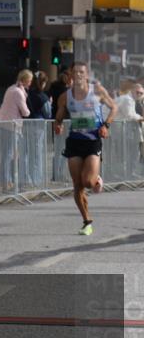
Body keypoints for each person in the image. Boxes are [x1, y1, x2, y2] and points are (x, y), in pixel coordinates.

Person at [53, 62, 117, 235]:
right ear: (71, 75)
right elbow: (59, 116)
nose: (79, 75)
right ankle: (87, 221)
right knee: (77, 185)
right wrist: (57, 125)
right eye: (75, 72)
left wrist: (106, 125)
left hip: (93, 141)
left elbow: (114, 108)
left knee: (88, 182)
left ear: (87, 75)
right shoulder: (65, 96)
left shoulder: (96, 91)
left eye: (82, 72)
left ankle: (96, 178)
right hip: (74, 141)